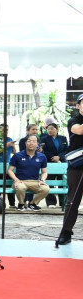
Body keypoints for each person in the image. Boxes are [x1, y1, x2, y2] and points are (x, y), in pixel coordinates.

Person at [56, 94, 83, 246]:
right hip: (77, 166)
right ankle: (66, 232)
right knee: (73, 201)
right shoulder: (73, 120)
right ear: (78, 106)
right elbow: (79, 130)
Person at [8, 133, 49, 211]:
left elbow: (44, 172)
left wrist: (42, 180)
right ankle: (21, 204)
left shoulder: (42, 156)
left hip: (35, 182)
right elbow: (10, 170)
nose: (31, 143)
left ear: (37, 144)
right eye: (29, 141)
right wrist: (16, 180)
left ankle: (33, 204)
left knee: (45, 189)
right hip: (20, 181)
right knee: (20, 187)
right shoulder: (17, 155)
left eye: (34, 141)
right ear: (25, 143)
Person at [40, 120, 68, 207]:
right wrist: (53, 157)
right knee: (49, 182)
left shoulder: (63, 138)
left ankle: (63, 202)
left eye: (52, 128)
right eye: (48, 129)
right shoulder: (44, 139)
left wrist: (59, 157)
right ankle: (51, 202)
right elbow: (44, 151)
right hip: (49, 162)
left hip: (61, 163)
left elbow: (66, 149)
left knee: (62, 182)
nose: (50, 130)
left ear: (57, 129)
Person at [0, 124, 16, 208]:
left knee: (9, 184)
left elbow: (14, 152)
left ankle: (12, 204)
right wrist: (6, 145)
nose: (5, 131)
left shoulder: (10, 139)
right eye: (3, 130)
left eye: (7, 130)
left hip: (8, 165)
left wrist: (13, 146)